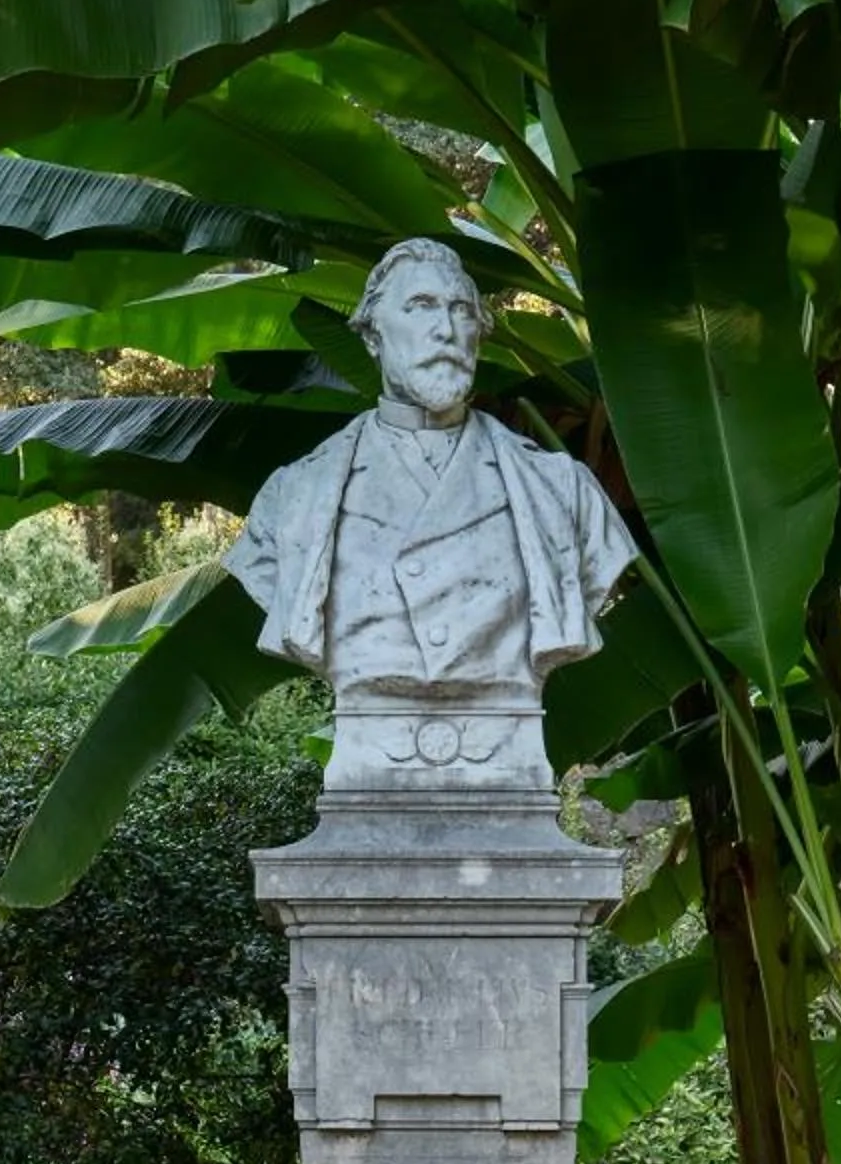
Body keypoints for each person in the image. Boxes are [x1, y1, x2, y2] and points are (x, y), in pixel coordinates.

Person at [226, 238, 636, 792]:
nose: (445, 329)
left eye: (461, 310)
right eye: (419, 307)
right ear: (372, 335)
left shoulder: (562, 492)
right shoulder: (295, 498)